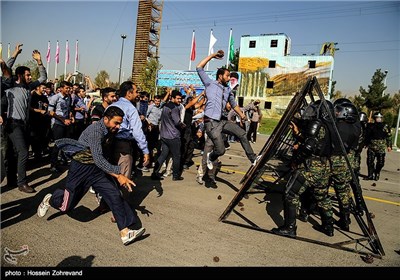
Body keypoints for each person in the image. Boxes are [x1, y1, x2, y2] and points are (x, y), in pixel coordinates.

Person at [36, 106, 145, 245]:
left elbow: (100, 161)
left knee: (114, 195)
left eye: (120, 123)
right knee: (66, 207)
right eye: (116, 123)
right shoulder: (95, 131)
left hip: (97, 171)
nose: (118, 127)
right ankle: (51, 199)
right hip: (80, 170)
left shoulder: (109, 130)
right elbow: (99, 159)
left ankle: (125, 232)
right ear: (106, 119)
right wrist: (119, 175)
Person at [196, 50, 257, 170]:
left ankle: (253, 158)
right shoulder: (209, 84)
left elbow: (234, 105)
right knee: (221, 150)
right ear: (220, 76)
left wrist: (242, 115)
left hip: (222, 121)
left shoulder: (228, 90)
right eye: (227, 76)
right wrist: (213, 56)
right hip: (211, 123)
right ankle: (211, 157)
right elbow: (199, 67)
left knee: (242, 134)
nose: (229, 79)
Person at [5, 48, 47, 192]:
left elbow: (43, 78)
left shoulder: (29, 87)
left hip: (24, 125)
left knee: (13, 154)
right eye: (27, 75)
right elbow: (6, 68)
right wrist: (15, 54)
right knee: (23, 152)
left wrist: (39, 62)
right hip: (12, 124)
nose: (30, 77)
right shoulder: (10, 84)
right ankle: (22, 183)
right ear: (20, 75)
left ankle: (11, 180)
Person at [151, 90, 185, 181]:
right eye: (177, 99)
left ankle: (155, 172)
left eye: (180, 99)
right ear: (172, 98)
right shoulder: (174, 108)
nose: (179, 101)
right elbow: (177, 122)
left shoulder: (165, 106)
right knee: (176, 156)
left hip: (164, 135)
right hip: (173, 136)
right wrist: (183, 126)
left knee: (163, 154)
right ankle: (176, 175)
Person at [365, 112, 392, 181]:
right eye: (377, 118)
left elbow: (388, 136)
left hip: (381, 147)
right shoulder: (371, 126)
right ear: (374, 118)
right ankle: (370, 175)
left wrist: (389, 146)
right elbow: (367, 135)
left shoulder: (385, 126)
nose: (378, 119)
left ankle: (377, 172)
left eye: (380, 118)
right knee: (370, 161)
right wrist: (366, 143)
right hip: (372, 146)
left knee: (381, 162)